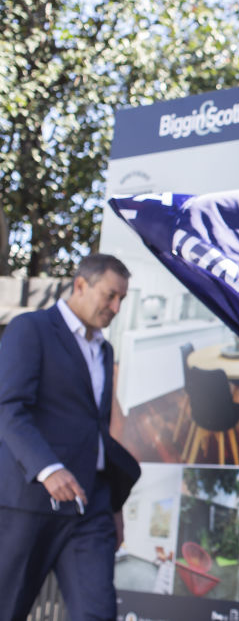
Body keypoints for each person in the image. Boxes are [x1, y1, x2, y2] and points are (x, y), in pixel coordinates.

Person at [0, 253, 141, 620]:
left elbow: (95, 429)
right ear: (81, 284)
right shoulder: (30, 329)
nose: (115, 307)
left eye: (121, 300)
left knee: (97, 612)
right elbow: (8, 408)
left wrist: (113, 506)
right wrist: (48, 468)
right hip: (30, 503)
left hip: (90, 506)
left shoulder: (104, 350)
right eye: (110, 296)